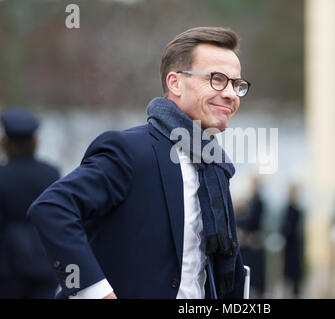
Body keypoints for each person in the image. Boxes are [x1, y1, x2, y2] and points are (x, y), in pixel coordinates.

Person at [27, 27, 251, 299]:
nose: (231, 94)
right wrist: (97, 293)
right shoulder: (129, 150)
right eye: (217, 79)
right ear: (175, 83)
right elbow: (52, 209)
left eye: (237, 84)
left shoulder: (215, 168)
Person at [0, 108, 60, 298]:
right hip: (46, 263)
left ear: (6, 142)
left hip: (9, 268)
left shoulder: (2, 177)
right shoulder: (51, 173)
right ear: (35, 141)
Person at [237, 176, 266, 298]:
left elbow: (251, 222)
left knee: (254, 275)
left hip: (253, 243)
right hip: (249, 243)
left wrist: (236, 221)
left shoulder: (257, 201)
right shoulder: (252, 201)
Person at [280, 183, 305, 298]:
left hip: (295, 246)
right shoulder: (286, 209)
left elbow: (297, 228)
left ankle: (296, 293)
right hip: (288, 245)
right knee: (287, 272)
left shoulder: (298, 210)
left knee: (295, 273)